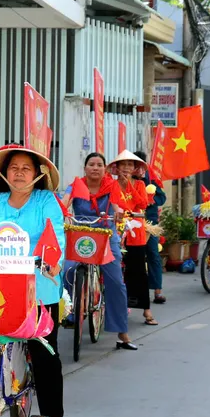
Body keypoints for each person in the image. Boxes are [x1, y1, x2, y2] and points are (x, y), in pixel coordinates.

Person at [0, 143, 68, 417]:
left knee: (45, 356)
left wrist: (53, 261)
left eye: (25, 168)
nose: (18, 173)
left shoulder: (46, 200)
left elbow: (57, 238)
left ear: (37, 174)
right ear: (3, 172)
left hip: (39, 288)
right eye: (13, 167)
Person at [63, 152, 136, 351]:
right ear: (85, 168)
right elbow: (65, 201)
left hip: (105, 233)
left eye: (99, 165)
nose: (95, 168)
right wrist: (62, 210)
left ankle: (122, 332)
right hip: (80, 232)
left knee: (115, 280)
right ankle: (70, 312)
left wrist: (119, 213)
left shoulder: (111, 185)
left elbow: (116, 205)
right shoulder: (77, 184)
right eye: (91, 164)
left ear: (104, 169)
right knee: (67, 270)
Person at [111, 151, 158, 327]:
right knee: (115, 270)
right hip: (117, 229)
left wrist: (128, 186)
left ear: (135, 168)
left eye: (130, 165)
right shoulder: (112, 184)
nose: (126, 168)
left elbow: (142, 204)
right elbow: (113, 203)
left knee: (138, 270)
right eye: (123, 164)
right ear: (117, 167)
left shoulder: (139, 184)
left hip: (135, 232)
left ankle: (146, 309)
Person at [135, 149, 167, 304]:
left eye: (141, 166)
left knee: (153, 253)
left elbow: (162, 197)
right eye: (135, 166)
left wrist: (151, 198)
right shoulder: (126, 179)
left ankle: (157, 291)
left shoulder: (152, 179)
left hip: (149, 222)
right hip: (131, 221)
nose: (138, 170)